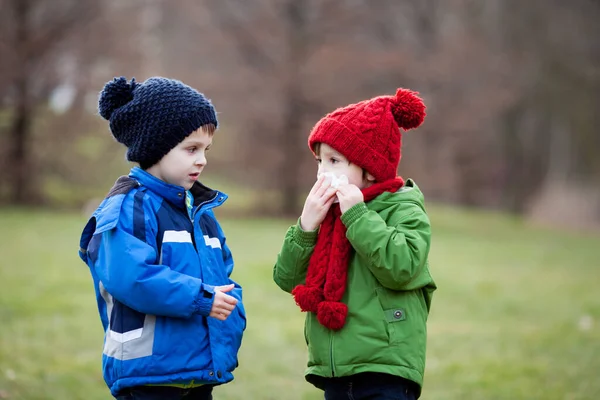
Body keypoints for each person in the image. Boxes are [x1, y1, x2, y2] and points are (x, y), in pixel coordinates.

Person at [78, 76, 246, 400]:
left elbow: (222, 274)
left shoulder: (200, 213)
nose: (202, 159)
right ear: (156, 146)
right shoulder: (130, 207)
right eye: (191, 149)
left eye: (206, 149)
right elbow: (132, 278)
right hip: (150, 378)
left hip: (197, 371)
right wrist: (202, 298)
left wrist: (233, 312)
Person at [273, 88, 436, 400]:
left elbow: (402, 266)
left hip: (385, 368)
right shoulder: (326, 216)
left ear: (370, 169)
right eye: (319, 161)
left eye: (334, 161)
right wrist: (307, 225)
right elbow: (287, 279)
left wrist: (358, 216)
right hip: (336, 370)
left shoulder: (402, 208)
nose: (323, 172)